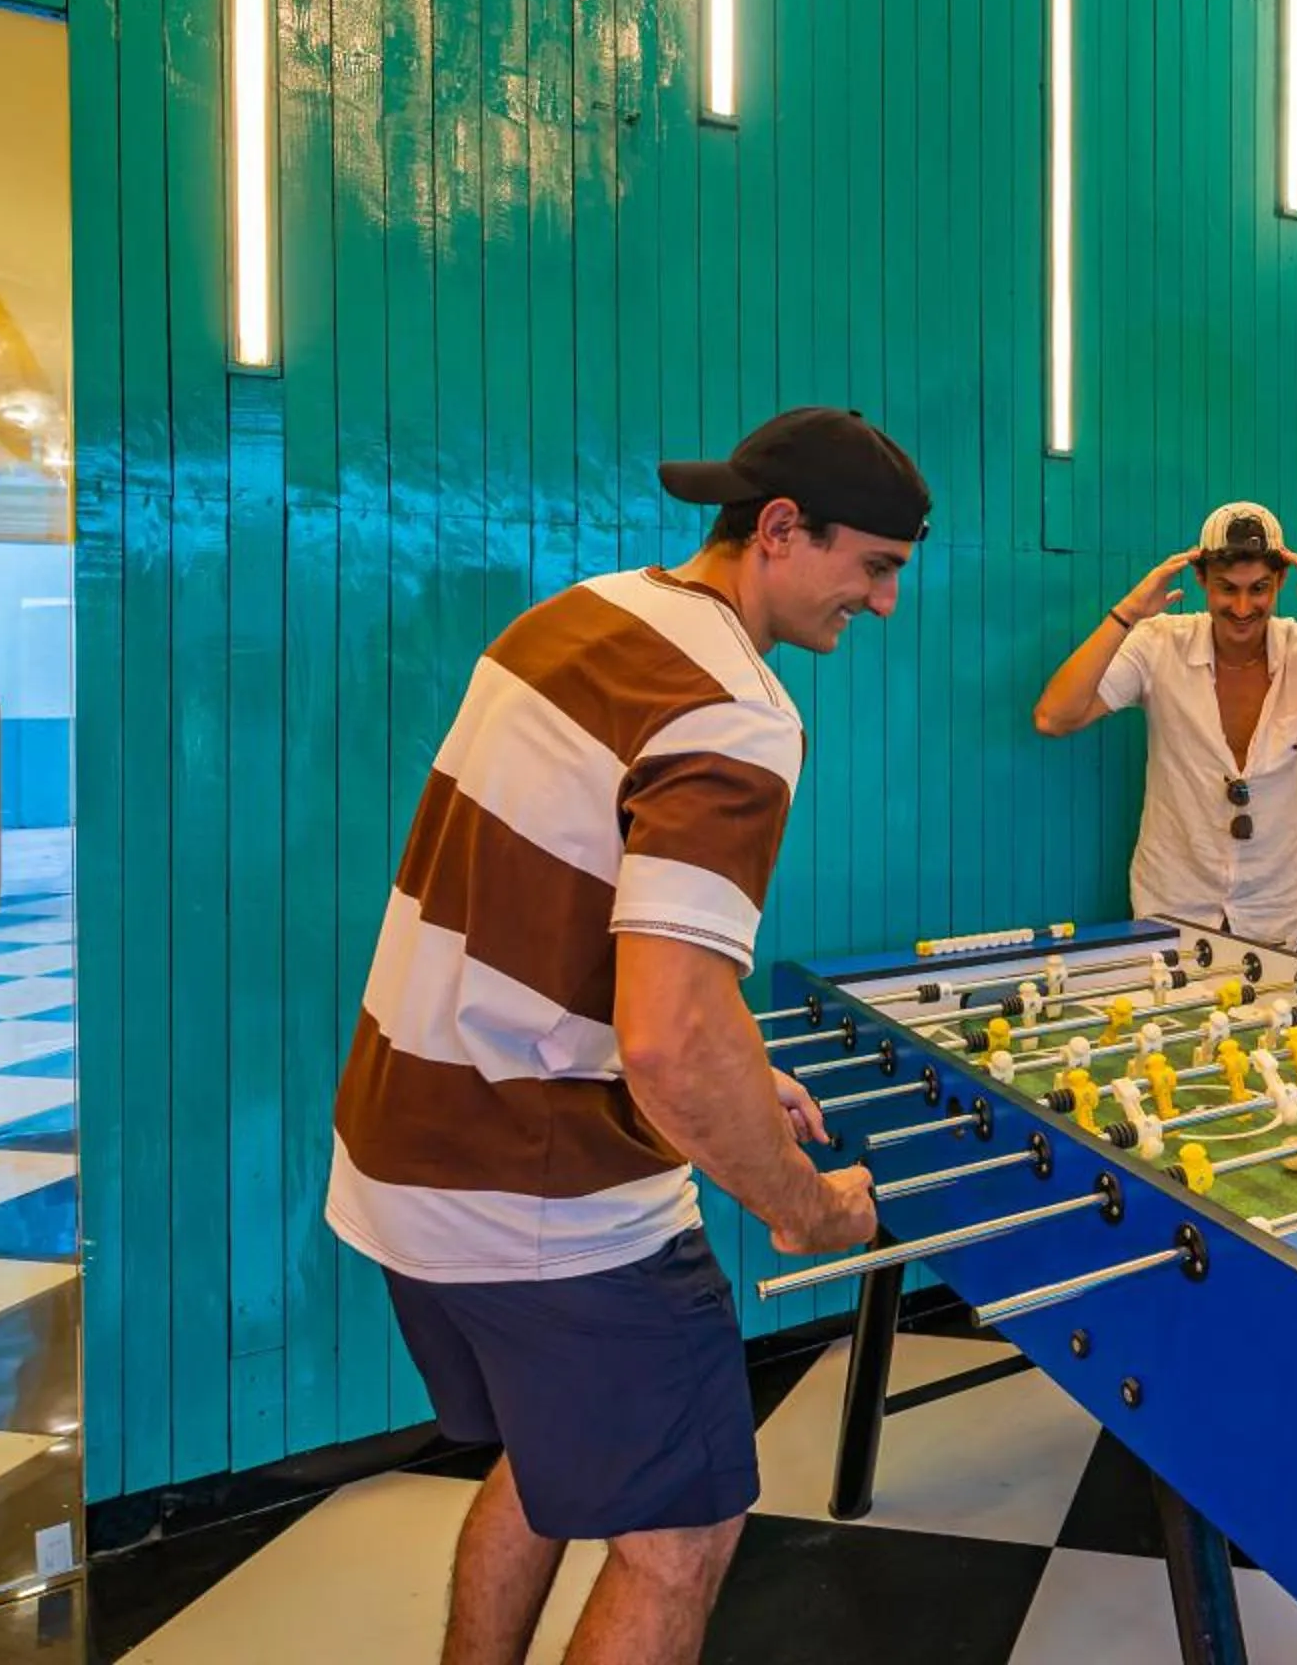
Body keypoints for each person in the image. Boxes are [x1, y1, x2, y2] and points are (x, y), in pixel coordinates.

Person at [325, 407, 930, 1665]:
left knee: (551, 1473)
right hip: (548, 1201)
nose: (879, 604)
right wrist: (805, 1205)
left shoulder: (578, 617)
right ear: (779, 530)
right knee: (683, 1536)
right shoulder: (738, 709)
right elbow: (661, 1047)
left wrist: (739, 1054)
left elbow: (572, 918)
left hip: (399, 1158)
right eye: (872, 565)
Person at [1033, 501, 1297, 947]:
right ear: (1201, 580)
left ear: (1279, 582)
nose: (1242, 607)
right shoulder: (1159, 644)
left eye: (1258, 589)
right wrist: (1126, 614)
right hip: (1170, 911)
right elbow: (1053, 717)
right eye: (1226, 589)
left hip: (1281, 918)